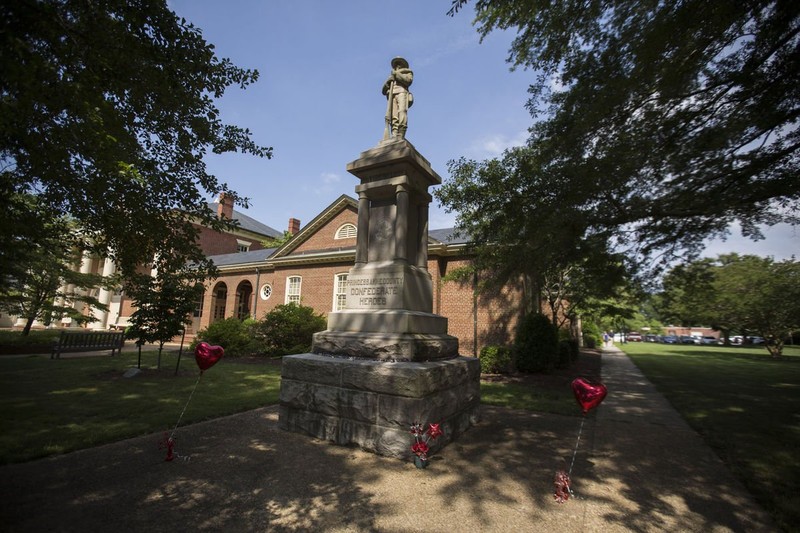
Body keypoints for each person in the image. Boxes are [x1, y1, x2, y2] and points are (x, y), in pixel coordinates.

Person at [382, 57, 413, 140]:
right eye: (396, 64)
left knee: (402, 112)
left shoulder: (408, 72)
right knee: (393, 115)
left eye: (399, 63)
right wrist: (388, 82)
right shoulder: (391, 75)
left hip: (402, 92)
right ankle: (394, 133)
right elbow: (383, 90)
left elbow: (408, 81)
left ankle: (401, 132)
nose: (397, 65)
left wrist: (396, 74)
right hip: (392, 95)